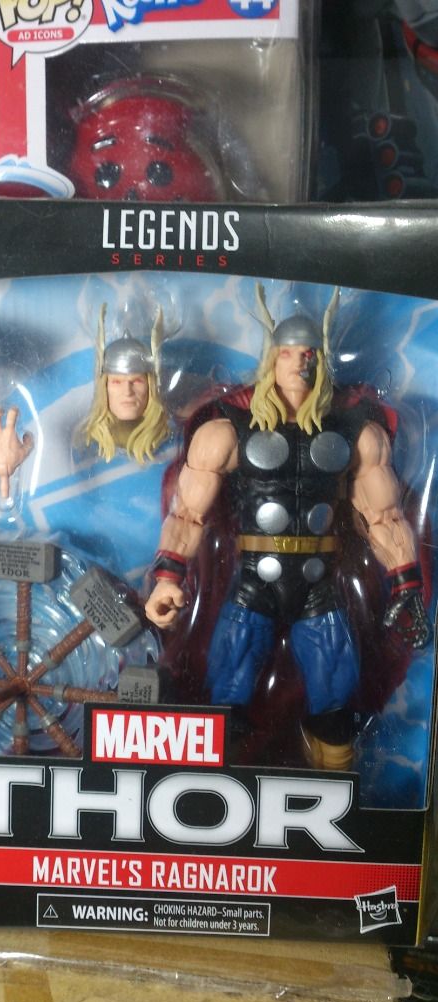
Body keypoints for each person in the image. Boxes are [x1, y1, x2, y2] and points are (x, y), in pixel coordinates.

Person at [145, 295, 431, 770]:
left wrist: (405, 583)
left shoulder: (356, 432)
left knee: (336, 702)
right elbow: (186, 515)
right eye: (288, 353)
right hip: (252, 582)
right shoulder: (226, 431)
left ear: (321, 358)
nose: (299, 362)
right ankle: (216, 781)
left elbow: (383, 517)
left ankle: (336, 791)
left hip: (319, 583)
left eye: (308, 353)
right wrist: (167, 578)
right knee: (227, 696)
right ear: (271, 359)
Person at [83, 304, 169, 463]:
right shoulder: (85, 447)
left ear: (150, 386)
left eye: (137, 381)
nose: (128, 391)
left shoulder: (171, 441)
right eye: (117, 382)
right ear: (104, 387)